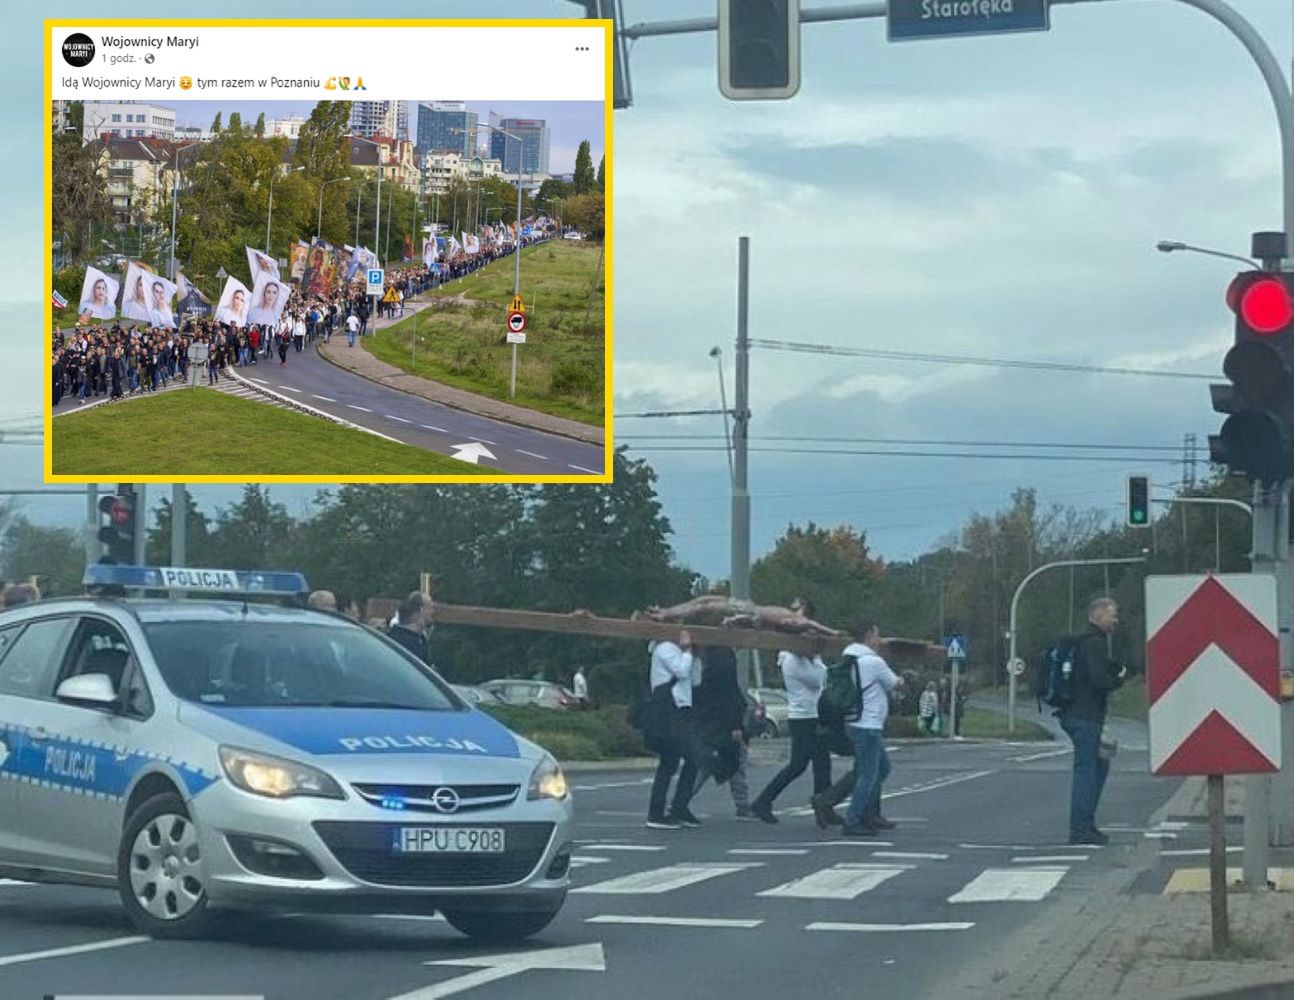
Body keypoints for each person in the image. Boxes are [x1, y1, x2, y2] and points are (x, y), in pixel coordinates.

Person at [750, 602, 832, 824]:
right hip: (803, 716)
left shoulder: (803, 654)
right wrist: (816, 659)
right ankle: (763, 801)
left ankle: (824, 806)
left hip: (813, 713)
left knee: (822, 763)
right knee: (798, 765)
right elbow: (817, 680)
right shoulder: (791, 658)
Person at [1060, 597, 1127, 846]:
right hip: (1085, 716)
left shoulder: (1082, 643)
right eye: (1112, 615)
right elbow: (1098, 680)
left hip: (1076, 713)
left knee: (1099, 766)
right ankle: (1080, 828)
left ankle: (1086, 824)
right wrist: (1119, 678)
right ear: (1097, 615)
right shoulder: (1095, 644)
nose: (1115, 620)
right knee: (1087, 771)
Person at [840, 621, 902, 837]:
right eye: (877, 635)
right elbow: (894, 683)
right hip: (868, 725)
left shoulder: (848, 658)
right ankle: (853, 819)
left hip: (854, 722)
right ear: (868, 635)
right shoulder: (873, 662)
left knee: (882, 768)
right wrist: (904, 679)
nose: (879, 639)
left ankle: (870, 814)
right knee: (868, 775)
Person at [645, 630, 707, 830]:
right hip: (669, 709)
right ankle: (658, 812)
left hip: (681, 708)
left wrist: (694, 656)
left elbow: (695, 680)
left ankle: (677, 808)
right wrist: (688, 651)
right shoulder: (665, 648)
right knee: (685, 759)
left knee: (678, 761)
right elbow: (680, 671)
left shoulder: (679, 651)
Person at [690, 645, 752, 819]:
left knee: (710, 763)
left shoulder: (705, 655)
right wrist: (735, 724)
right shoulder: (723, 656)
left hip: (708, 719)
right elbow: (728, 693)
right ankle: (742, 804)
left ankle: (679, 801)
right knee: (732, 762)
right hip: (723, 722)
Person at [387, 591, 432, 664]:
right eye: (430, 607)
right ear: (421, 610)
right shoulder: (406, 644)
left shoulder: (390, 638)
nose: (433, 611)